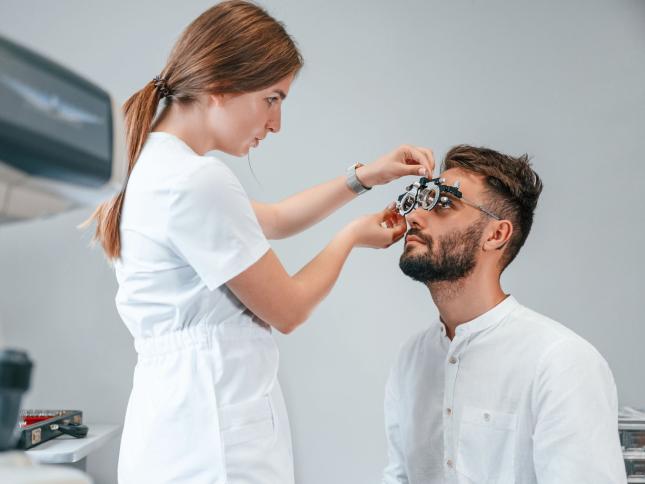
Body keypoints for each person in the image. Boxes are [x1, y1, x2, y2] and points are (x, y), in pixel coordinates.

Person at [86, 2, 433, 483]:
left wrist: (366, 176)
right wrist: (351, 236)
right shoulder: (195, 180)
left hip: (176, 431)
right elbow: (288, 309)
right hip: (211, 443)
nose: (276, 123)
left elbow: (274, 219)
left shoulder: (153, 166)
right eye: (272, 98)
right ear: (221, 84)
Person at [383, 145, 626, 483]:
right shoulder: (411, 357)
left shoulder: (560, 362)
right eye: (421, 201)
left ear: (496, 235)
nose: (414, 217)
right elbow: (398, 476)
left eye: (443, 204)